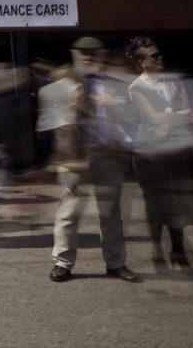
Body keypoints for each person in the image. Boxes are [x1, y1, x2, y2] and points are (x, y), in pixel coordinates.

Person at [126, 37, 193, 274]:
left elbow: (189, 115)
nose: (160, 59)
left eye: (160, 54)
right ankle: (157, 250)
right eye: (154, 56)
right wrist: (174, 115)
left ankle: (178, 250)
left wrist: (172, 116)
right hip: (150, 154)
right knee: (155, 203)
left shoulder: (173, 83)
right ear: (141, 62)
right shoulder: (136, 88)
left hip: (178, 150)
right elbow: (154, 118)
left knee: (178, 202)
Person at [48, 37, 141, 283]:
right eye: (83, 53)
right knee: (69, 212)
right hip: (77, 159)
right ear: (75, 55)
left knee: (111, 214)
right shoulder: (65, 83)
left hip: (108, 155)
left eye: (93, 54)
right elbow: (58, 125)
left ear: (101, 56)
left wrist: (114, 105)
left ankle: (116, 263)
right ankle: (63, 263)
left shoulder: (114, 82)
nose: (88, 58)